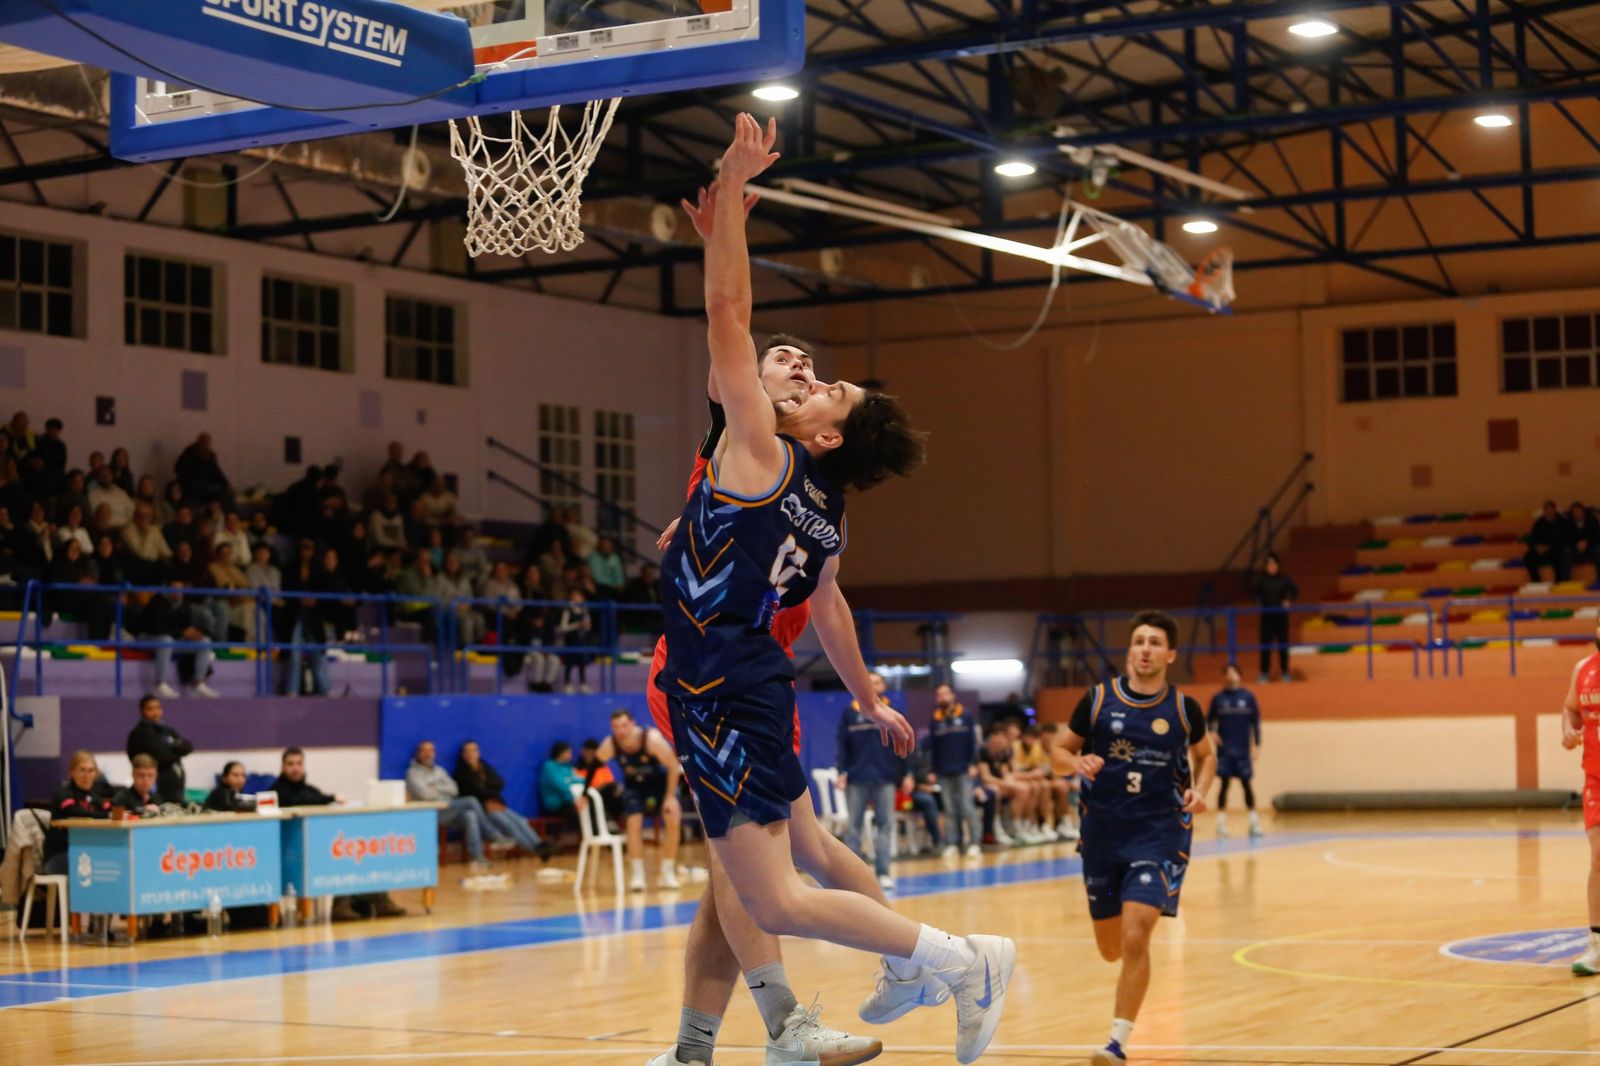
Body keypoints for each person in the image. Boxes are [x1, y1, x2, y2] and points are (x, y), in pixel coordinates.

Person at [652, 114, 1011, 1066]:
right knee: (772, 878)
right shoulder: (826, 514)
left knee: (773, 895)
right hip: (751, 680)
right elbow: (822, 600)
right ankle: (744, 1037)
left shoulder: (763, 453)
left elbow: (728, 312)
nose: (811, 382)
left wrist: (731, 190)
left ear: (824, 438)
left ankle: (961, 960)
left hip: (720, 678)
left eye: (827, 394)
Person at [1055, 610, 1217, 1066]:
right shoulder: (1098, 699)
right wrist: (1075, 764)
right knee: (1110, 948)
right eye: (1138, 641)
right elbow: (1058, 751)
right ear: (1130, 650)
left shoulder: (1185, 709)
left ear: (1169, 654)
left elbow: (1207, 755)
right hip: (1103, 837)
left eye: (1154, 642)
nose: (1145, 648)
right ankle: (1119, 1023)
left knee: (1134, 935)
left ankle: (1117, 1043)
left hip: (1160, 835)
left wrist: (1200, 791)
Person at [588, 711, 683, 891]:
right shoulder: (611, 744)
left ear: (633, 724)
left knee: (672, 819)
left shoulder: (651, 739)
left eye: (624, 725)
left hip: (661, 785)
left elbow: (673, 766)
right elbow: (594, 765)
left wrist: (670, 797)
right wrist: (585, 793)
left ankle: (667, 871)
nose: (620, 730)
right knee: (633, 823)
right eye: (616, 727)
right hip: (635, 787)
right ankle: (638, 874)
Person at [837, 672, 906, 891]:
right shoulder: (850, 712)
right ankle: (854, 878)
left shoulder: (892, 713)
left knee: (885, 825)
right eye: (869, 681)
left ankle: (883, 873)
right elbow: (842, 745)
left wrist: (908, 773)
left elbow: (904, 743)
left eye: (877, 682)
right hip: (857, 778)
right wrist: (841, 771)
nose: (873, 685)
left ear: (883, 686)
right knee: (854, 828)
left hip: (885, 777)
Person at [1561, 618, 1600, 976]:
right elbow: (1570, 707)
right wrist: (1569, 729)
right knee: (1599, 856)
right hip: (1596, 779)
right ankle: (1596, 945)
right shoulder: (1583, 669)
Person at [405, 740, 508, 869]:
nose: (428, 754)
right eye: (424, 750)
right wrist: (441, 789)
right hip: (430, 812)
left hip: (448, 809)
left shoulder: (439, 771)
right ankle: (492, 835)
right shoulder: (413, 773)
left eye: (431, 750)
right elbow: (425, 795)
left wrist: (434, 787)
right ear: (418, 754)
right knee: (470, 801)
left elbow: (454, 789)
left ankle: (477, 858)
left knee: (470, 815)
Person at [453, 739, 551, 859]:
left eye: (473, 750)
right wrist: (487, 789)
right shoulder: (461, 773)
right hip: (483, 809)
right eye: (467, 751)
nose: (471, 754)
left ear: (478, 752)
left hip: (497, 803)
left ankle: (540, 844)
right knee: (509, 825)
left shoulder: (485, 766)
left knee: (521, 821)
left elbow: (499, 783)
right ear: (463, 754)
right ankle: (535, 850)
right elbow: (475, 791)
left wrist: (486, 787)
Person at [133, 583, 219, 698]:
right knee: (166, 640)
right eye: (174, 589)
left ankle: (198, 684)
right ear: (167, 589)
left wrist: (194, 632)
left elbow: (186, 626)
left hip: (174, 639)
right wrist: (182, 633)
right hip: (147, 637)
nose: (178, 592)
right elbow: (154, 628)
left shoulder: (184, 604)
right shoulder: (157, 602)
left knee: (205, 642)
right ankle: (159, 684)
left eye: (180, 589)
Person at [1208, 663, 1263, 838]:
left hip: (1242, 751)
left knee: (1247, 786)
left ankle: (1254, 824)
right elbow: (1208, 720)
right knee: (1224, 786)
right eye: (1227, 673)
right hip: (1225, 751)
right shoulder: (1218, 698)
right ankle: (1221, 825)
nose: (1230, 676)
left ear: (1239, 675)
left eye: (1234, 673)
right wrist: (1212, 732)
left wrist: (1257, 745)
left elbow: (1256, 723)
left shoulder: (1248, 697)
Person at [929, 684, 983, 859]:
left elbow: (972, 742)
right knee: (950, 810)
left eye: (945, 693)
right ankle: (953, 843)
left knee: (967, 807)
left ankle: (975, 842)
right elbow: (933, 748)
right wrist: (933, 769)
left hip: (963, 769)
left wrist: (974, 763)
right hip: (944, 771)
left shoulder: (965, 715)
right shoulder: (935, 719)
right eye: (939, 694)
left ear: (952, 696)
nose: (942, 697)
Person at [41, 751, 112, 874]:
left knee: (111, 859)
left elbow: (109, 810)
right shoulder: (63, 795)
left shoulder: (94, 797)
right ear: (72, 773)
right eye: (82, 770)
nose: (86, 775)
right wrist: (107, 816)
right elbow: (75, 812)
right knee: (98, 864)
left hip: (85, 851)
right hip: (59, 855)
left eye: (91, 771)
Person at [976, 725, 1031, 846]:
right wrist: (1004, 783)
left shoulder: (1003, 751)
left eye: (1002, 740)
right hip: (981, 786)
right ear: (992, 738)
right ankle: (996, 828)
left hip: (996, 783)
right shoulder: (983, 750)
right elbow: (985, 778)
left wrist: (1010, 782)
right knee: (996, 791)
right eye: (998, 740)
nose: (1001, 743)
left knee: (1022, 789)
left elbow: (1004, 773)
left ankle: (1015, 826)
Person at [1251, 553, 1298, 682]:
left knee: (1283, 645)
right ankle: (1264, 672)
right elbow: (1253, 593)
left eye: (1274, 564)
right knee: (1265, 646)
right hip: (1266, 618)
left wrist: (1288, 600)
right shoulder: (1261, 580)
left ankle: (1285, 672)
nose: (1272, 567)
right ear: (1265, 567)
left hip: (1281, 618)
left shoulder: (1284, 579)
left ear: (1277, 566)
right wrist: (1259, 601)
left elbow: (1295, 591)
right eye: (1269, 565)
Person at [1526, 499, 1573, 584]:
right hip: (1540, 550)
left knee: (1559, 557)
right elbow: (1532, 538)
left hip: (1555, 549)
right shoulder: (1539, 523)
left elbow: (1564, 540)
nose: (1548, 512)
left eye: (1550, 510)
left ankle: (1559, 582)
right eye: (1546, 510)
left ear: (1555, 510)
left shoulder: (1562, 522)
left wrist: (1549, 547)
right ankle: (1536, 582)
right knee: (1528, 557)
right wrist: (1537, 547)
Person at [539, 741, 582, 828]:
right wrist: (573, 799)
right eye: (568, 752)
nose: (571, 755)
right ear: (561, 753)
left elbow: (580, 780)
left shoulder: (568, 767)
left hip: (570, 802)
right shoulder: (549, 766)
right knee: (574, 811)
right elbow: (560, 785)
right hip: (555, 805)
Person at [1568, 502, 1600, 579]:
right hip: (1574, 547)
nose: (1577, 514)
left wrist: (1587, 543)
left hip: (1590, 545)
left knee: (1597, 550)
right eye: (1575, 512)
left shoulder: (1592, 521)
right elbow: (1566, 538)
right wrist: (1576, 545)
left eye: (1579, 511)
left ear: (1583, 511)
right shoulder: (1568, 523)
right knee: (1565, 553)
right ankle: (1565, 578)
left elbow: (1597, 535)